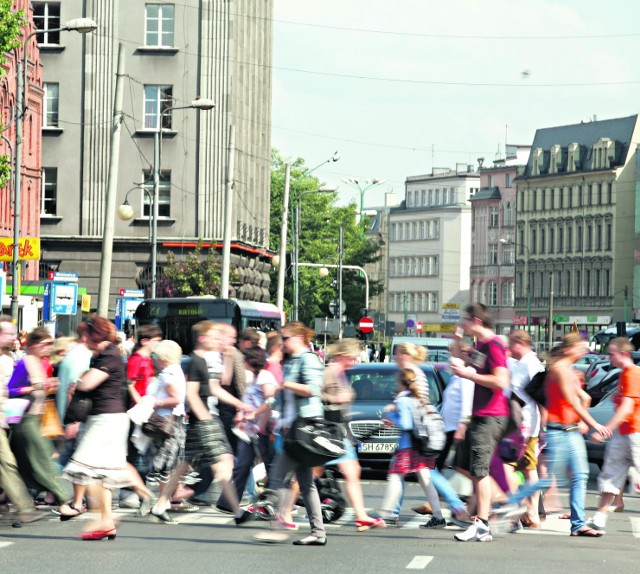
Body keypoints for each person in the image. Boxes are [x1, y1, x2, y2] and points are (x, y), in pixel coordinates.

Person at [497, 333, 612, 537]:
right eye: (580, 347)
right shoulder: (559, 371)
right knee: (551, 479)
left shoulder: (567, 370)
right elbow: (574, 401)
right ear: (568, 349)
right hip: (559, 431)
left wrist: (582, 423)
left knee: (580, 476)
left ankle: (577, 524)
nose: (584, 351)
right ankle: (508, 504)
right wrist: (594, 424)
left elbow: (582, 398)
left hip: (571, 431)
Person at [149, 321, 254, 525]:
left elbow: (216, 387)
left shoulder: (205, 360)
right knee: (223, 463)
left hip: (204, 419)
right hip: (205, 420)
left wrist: (240, 403)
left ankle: (160, 504)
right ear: (203, 339)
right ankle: (236, 511)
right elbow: (192, 393)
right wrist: (205, 417)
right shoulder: (197, 361)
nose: (218, 340)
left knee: (184, 465)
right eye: (214, 337)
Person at [62, 316, 135, 539]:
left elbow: (88, 383)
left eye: (85, 334)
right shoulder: (107, 354)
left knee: (86, 469)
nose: (83, 339)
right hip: (108, 418)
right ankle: (106, 521)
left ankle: (102, 520)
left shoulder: (109, 354)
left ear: (95, 335)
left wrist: (77, 383)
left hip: (106, 419)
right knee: (101, 474)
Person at [258, 321, 327, 546]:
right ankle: (318, 532)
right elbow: (281, 397)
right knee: (306, 484)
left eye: (285, 338)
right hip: (292, 428)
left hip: (303, 427)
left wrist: (287, 384)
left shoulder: (308, 359)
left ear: (298, 338)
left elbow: (313, 389)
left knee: (277, 477)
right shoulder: (291, 362)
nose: (282, 342)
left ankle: (278, 527)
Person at [451, 303, 510, 543]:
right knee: (474, 470)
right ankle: (482, 520)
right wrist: (457, 341)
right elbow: (461, 358)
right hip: (480, 416)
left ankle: (483, 524)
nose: (462, 323)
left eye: (465, 320)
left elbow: (501, 381)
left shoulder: (494, 345)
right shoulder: (482, 345)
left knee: (480, 470)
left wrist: (468, 374)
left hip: (491, 416)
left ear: (476, 321)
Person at [7, 328, 74, 516]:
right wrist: (31, 388)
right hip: (25, 419)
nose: (49, 348)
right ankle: (63, 501)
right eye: (46, 344)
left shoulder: (41, 362)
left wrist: (50, 386)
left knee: (23, 465)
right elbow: (10, 390)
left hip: (37, 417)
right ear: (34, 345)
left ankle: (9, 498)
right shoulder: (25, 362)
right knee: (41, 460)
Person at [322, 338, 385, 531]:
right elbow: (313, 394)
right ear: (343, 356)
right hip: (326, 430)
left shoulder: (341, 374)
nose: (355, 361)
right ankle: (283, 509)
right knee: (308, 473)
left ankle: (361, 516)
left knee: (352, 471)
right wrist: (335, 398)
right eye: (353, 358)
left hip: (339, 430)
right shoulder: (328, 372)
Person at [378, 368, 444, 527]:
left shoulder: (402, 400)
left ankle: (384, 513)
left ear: (401, 383)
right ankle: (438, 516)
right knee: (425, 479)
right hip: (421, 445)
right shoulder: (417, 398)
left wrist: (390, 415)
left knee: (395, 476)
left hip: (408, 446)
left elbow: (406, 424)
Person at [588, 337, 640, 534]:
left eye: (611, 354)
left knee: (612, 473)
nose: (608, 357)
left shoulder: (633, 374)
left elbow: (626, 408)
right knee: (610, 474)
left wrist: (604, 431)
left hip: (635, 433)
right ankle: (599, 519)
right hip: (625, 433)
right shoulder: (626, 374)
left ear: (624, 354)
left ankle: (600, 518)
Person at [216, 345, 277, 512]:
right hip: (249, 430)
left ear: (252, 360)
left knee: (270, 465)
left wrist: (256, 416)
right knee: (242, 464)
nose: (242, 361)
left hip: (261, 430)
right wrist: (241, 413)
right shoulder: (254, 377)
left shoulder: (265, 376)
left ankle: (273, 501)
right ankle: (228, 503)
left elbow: (271, 401)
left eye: (245, 359)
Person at [0, 316, 41, 522]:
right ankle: (24, 508)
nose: (13, 337)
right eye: (7, 333)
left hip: (6, 418)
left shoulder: (9, 359)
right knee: (7, 463)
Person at [506, 330, 543, 528]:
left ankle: (527, 512)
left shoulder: (531, 364)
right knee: (528, 469)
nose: (509, 348)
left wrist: (541, 426)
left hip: (525, 425)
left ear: (520, 343)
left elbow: (541, 395)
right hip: (518, 422)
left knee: (520, 468)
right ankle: (531, 512)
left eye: (511, 344)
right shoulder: (519, 363)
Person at [145, 340, 187, 498]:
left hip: (165, 423)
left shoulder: (169, 373)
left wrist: (155, 402)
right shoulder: (175, 370)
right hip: (172, 421)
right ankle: (167, 498)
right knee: (169, 462)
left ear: (164, 357)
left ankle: (163, 499)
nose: (155, 358)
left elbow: (176, 398)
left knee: (164, 462)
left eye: (157, 355)